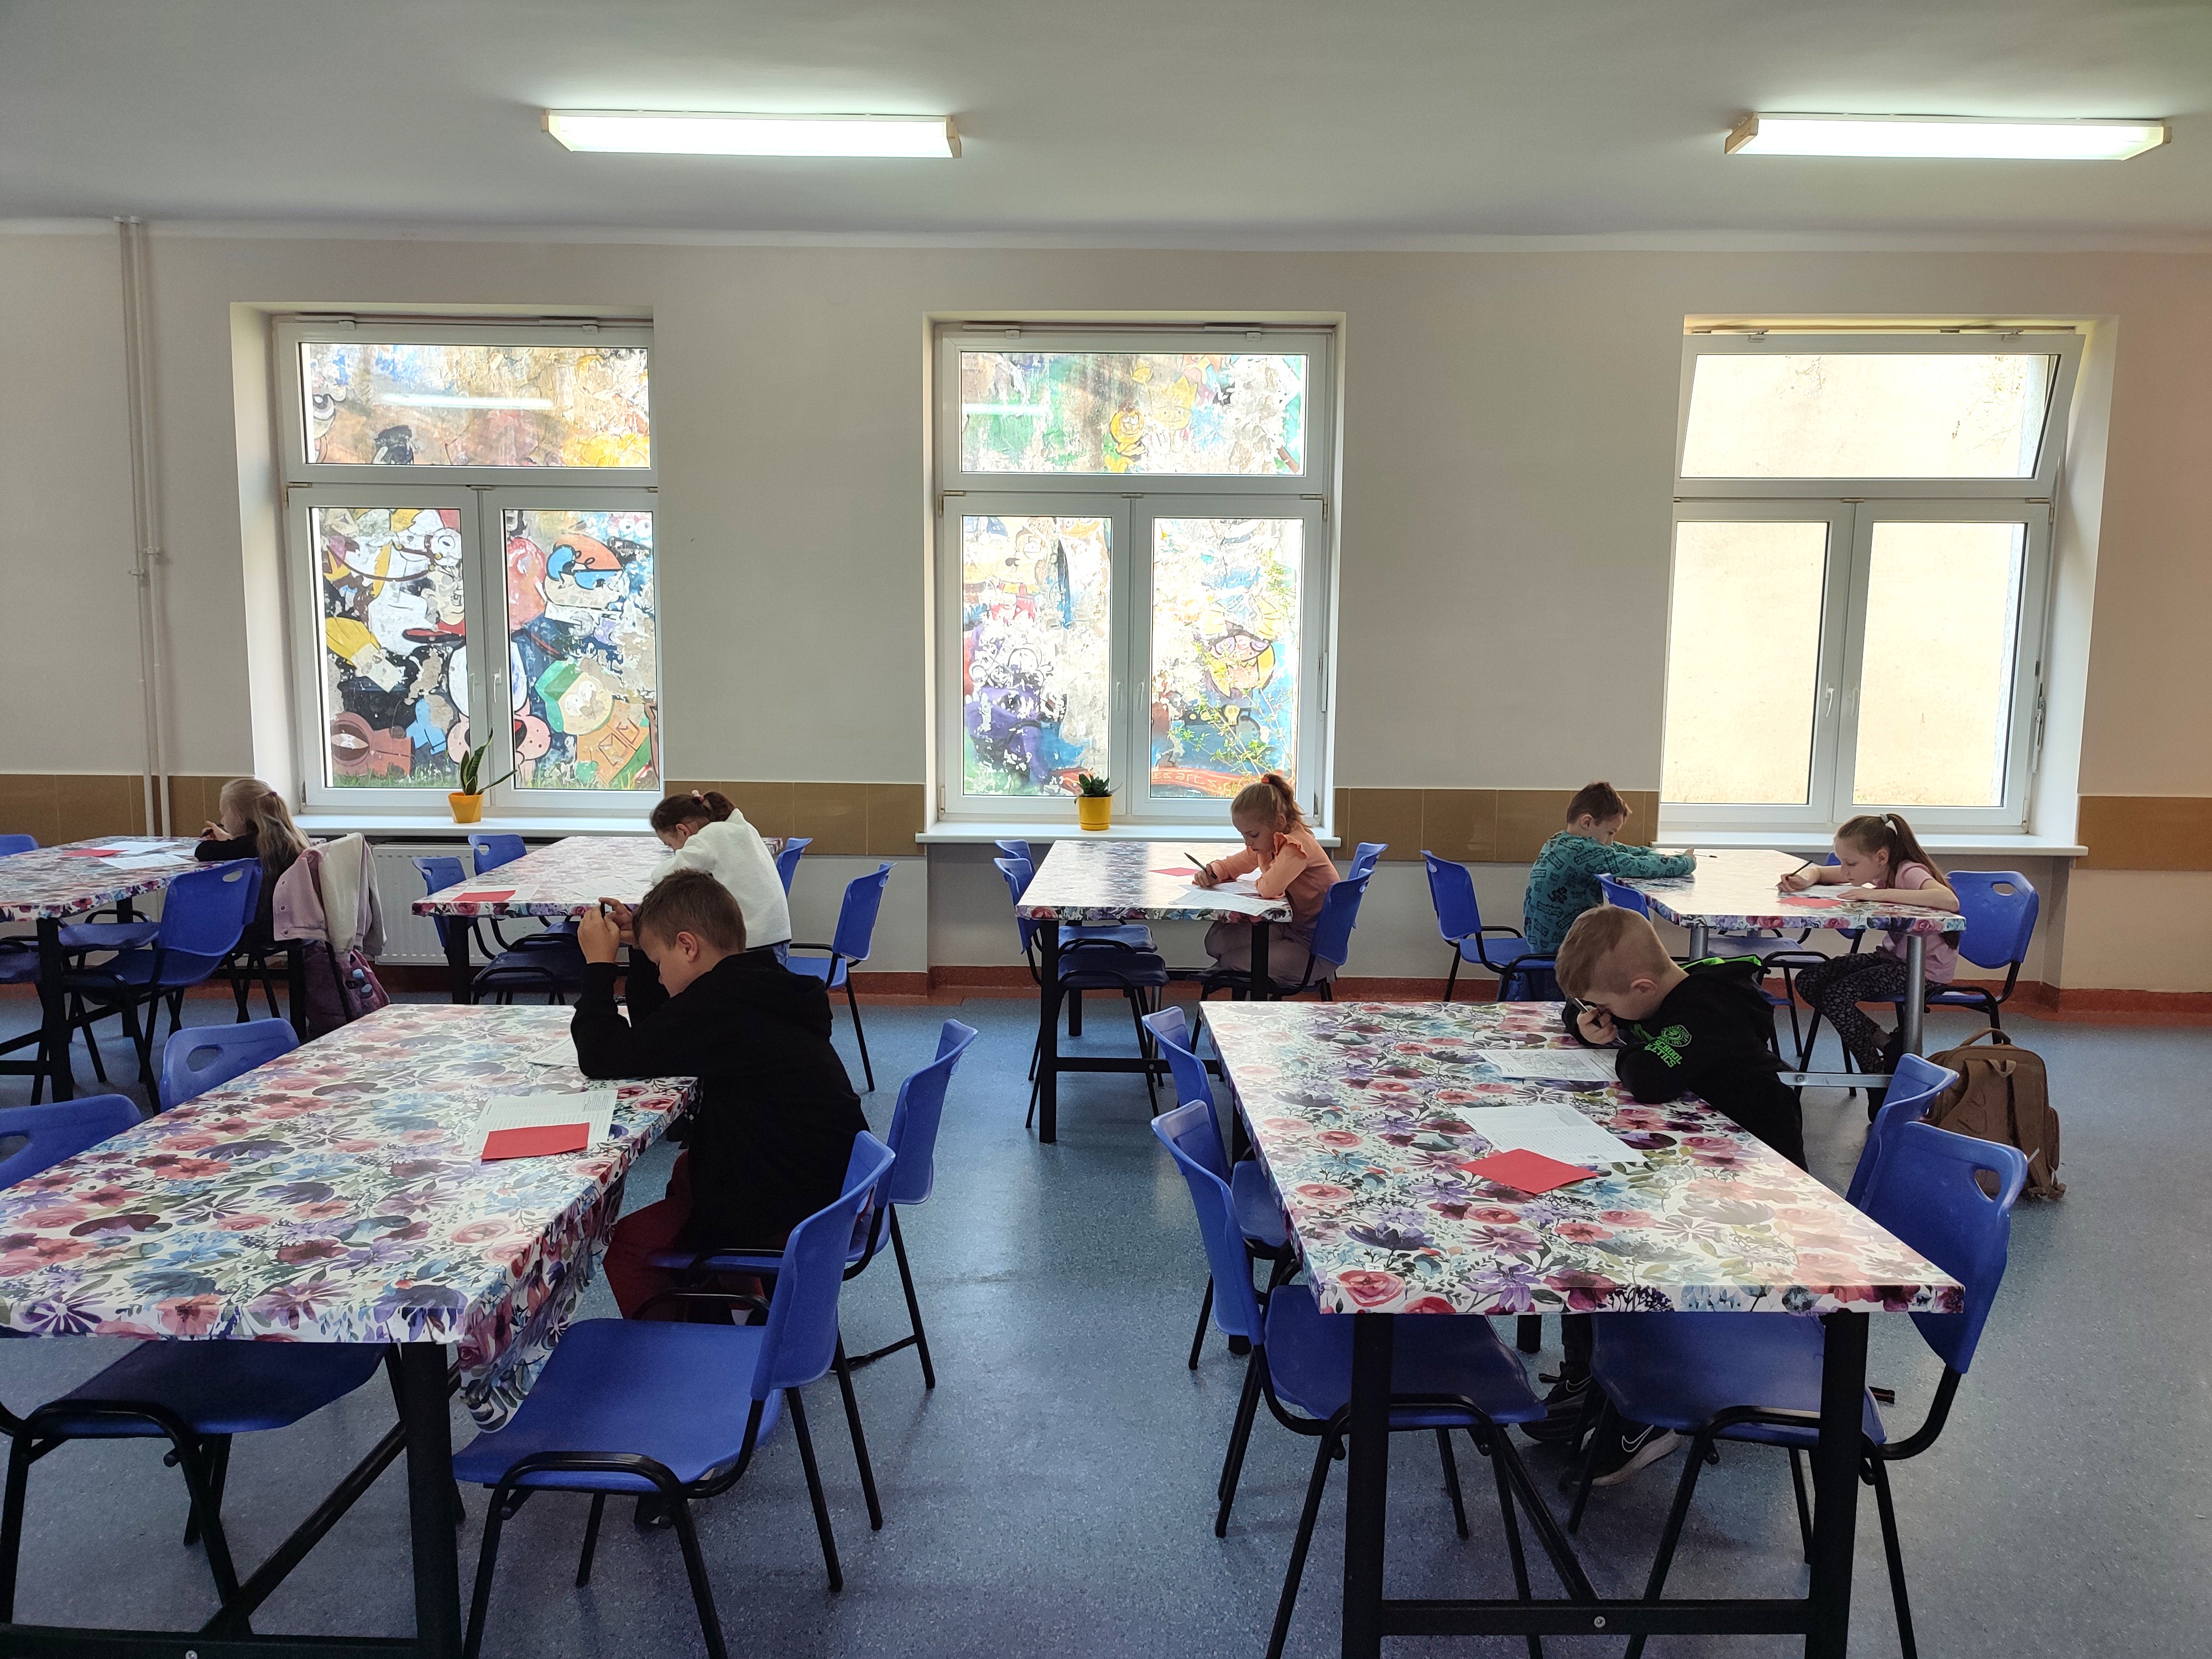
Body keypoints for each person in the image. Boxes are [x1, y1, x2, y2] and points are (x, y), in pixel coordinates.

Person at [1522, 904, 1806, 1488]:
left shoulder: (1710, 1008)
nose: (1601, 1013)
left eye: (1607, 1004)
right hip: (1697, 1162)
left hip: (1748, 1192)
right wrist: (1587, 1021)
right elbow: (1581, 1010)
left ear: (1643, 989)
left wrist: (1623, 1045)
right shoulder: (1660, 992)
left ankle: (1644, 1413)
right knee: (1585, 1220)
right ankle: (1590, 1372)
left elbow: (1651, 1078)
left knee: (1615, 1241)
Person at [573, 870, 866, 1322]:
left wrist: (598, 968)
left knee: (630, 1248)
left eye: (658, 963)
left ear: (688, 947)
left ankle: (688, 1347)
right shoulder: (755, 981)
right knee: (686, 1170)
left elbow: (603, 1057)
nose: (658, 977)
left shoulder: (717, 1005)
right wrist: (644, 948)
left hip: (798, 1206)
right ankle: (732, 1303)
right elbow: (659, 1035)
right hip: (833, 1183)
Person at [1777, 812, 1959, 1083]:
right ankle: (1887, 1043)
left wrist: (1876, 894)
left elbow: (1949, 900)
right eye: (1842, 862)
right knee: (1809, 980)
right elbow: (1820, 871)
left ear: (1881, 857)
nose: (1845, 871)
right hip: (1892, 960)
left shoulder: (1908, 871)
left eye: (1851, 864)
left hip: (1923, 972)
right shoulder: (1877, 870)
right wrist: (1804, 879)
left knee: (1837, 996)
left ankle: (1875, 1075)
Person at [1190, 771, 1339, 988]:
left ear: (1279, 822)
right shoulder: (1269, 841)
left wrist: (1262, 878)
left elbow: (1270, 888)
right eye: (1243, 835)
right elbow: (1236, 864)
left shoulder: (1296, 847)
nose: (1248, 843)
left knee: (1232, 959)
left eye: (1253, 835)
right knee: (1215, 942)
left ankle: (1230, 974)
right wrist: (1214, 871)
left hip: (1313, 948)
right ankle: (1228, 971)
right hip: (1290, 928)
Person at [1520, 782, 1695, 955]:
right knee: (1633, 947)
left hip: (1540, 941)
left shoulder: (1560, 841)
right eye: (1610, 833)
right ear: (1587, 822)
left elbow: (1623, 851)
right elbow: (1637, 866)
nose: (1610, 841)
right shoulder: (1584, 851)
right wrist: (1686, 862)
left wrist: (1658, 856)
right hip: (1562, 948)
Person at [647, 789, 792, 953]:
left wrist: (654, 871)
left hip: (754, 943)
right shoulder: (740, 828)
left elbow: (667, 874)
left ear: (683, 831)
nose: (674, 851)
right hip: (775, 938)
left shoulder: (712, 836)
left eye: (670, 845)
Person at [193, 777, 306, 947]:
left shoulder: (252, 845)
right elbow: (242, 846)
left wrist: (227, 841)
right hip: (296, 924)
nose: (222, 821)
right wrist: (229, 839)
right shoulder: (291, 837)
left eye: (224, 814)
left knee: (199, 922)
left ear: (239, 817)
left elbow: (203, 851)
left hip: (263, 930)